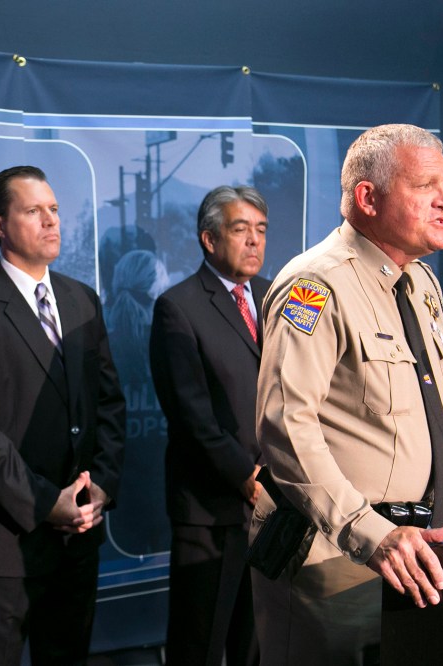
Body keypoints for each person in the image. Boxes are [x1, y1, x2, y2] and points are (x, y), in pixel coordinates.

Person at [251, 124, 443, 665]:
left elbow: (438, 406)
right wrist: (369, 533)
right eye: (426, 186)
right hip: (331, 555)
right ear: (367, 197)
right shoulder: (314, 285)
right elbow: (286, 428)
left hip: (412, 547)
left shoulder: (420, 283)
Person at [0, 165, 126, 665]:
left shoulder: (83, 300)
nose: (51, 221)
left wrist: (99, 484)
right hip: (3, 544)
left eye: (55, 210)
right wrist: (45, 502)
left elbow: (109, 403)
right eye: (34, 211)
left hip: (79, 534)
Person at [149, 185, 271, 666]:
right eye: (241, 230)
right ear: (208, 239)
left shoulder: (276, 295)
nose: (254, 242)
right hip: (212, 509)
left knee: (257, 645)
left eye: (261, 230)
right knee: (198, 647)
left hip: (277, 508)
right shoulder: (178, 306)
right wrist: (248, 476)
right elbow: (190, 414)